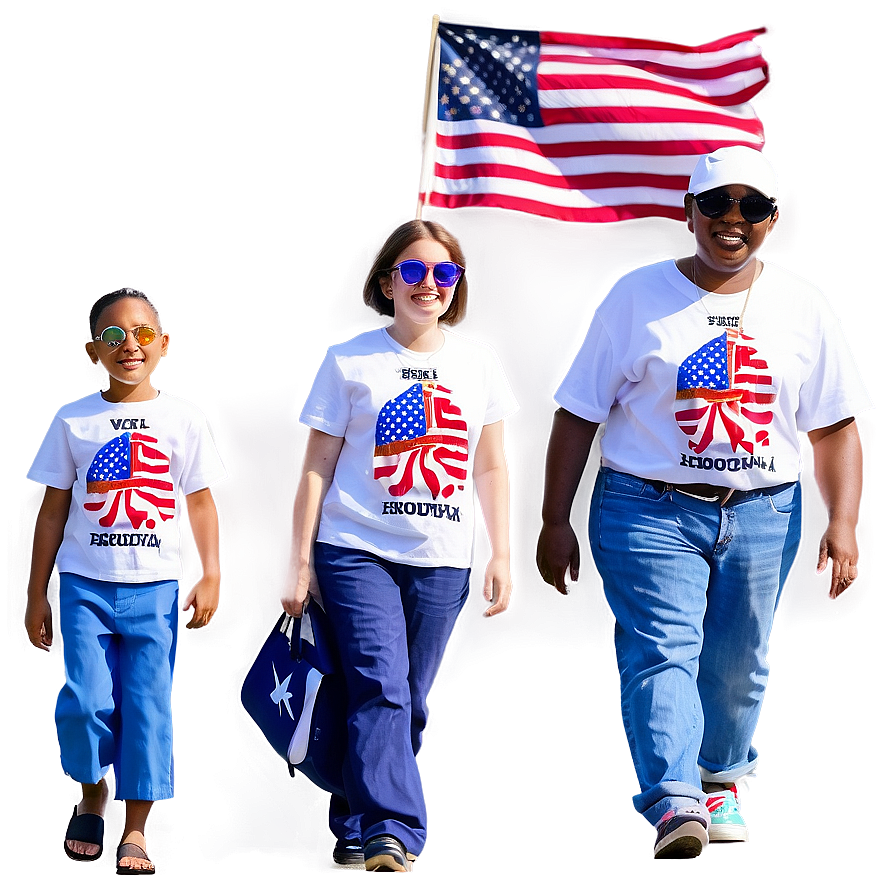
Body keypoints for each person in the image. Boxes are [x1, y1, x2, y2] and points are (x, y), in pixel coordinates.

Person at [536, 146, 873, 861]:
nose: (733, 219)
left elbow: (836, 424)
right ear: (690, 212)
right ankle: (674, 802)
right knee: (661, 653)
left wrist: (843, 521)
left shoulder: (802, 305)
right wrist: (553, 519)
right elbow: (578, 413)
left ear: (772, 222)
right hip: (644, 509)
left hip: (765, 511)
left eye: (752, 207)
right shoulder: (635, 297)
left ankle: (720, 779)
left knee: (740, 661)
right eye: (718, 203)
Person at [280, 219, 516, 872]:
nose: (428, 284)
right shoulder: (349, 360)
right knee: (381, 686)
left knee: (408, 697)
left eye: (443, 273)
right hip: (356, 550)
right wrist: (299, 560)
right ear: (388, 282)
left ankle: (355, 817)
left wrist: (501, 553)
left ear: (456, 285)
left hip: (441, 557)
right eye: (412, 272)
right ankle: (394, 830)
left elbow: (491, 466)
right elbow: (315, 466)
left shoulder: (477, 364)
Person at [25, 286, 227, 875]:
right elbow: (51, 511)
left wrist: (211, 571)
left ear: (163, 345)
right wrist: (34, 592)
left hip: (157, 588)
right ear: (93, 350)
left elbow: (202, 504)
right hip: (84, 584)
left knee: (148, 705)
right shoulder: (73, 419)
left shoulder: (184, 418)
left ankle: (136, 826)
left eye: (142, 334)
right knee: (86, 700)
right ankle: (91, 795)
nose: (129, 346)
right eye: (113, 336)